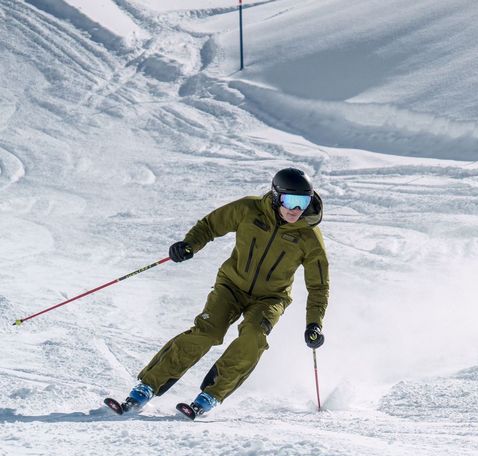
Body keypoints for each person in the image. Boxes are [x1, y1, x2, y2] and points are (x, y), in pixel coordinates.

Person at [109, 167, 329, 418]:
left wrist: (314, 324)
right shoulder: (248, 209)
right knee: (207, 332)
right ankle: (147, 386)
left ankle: (212, 395)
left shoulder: (309, 237)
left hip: (271, 297)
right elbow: (211, 225)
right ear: (277, 196)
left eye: (303, 202)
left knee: (253, 337)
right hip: (231, 285)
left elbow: (319, 286)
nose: (296, 209)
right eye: (291, 200)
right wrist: (189, 244)